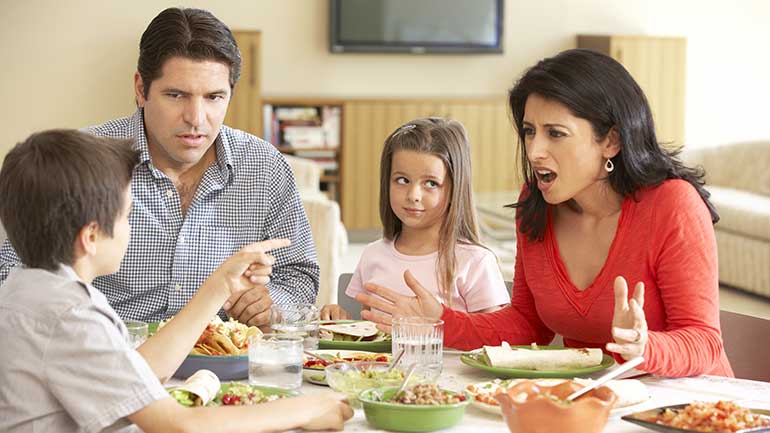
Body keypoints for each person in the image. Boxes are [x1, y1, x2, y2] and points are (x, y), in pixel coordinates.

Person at [354, 49, 734, 378]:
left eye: (555, 133)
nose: (534, 151)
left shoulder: (673, 205)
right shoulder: (535, 205)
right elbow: (526, 326)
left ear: (611, 141)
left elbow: (703, 342)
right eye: (529, 131)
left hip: (686, 405)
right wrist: (441, 320)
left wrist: (645, 346)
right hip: (591, 401)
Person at [0, 129, 353, 433]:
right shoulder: (71, 316)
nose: (130, 227)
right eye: (126, 215)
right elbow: (178, 425)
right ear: (91, 237)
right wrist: (305, 408)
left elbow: (138, 372)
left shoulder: (30, 287)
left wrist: (221, 286)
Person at [0, 7, 319, 327]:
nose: (196, 119)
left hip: (225, 361)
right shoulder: (85, 159)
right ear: (141, 89)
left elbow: (300, 276)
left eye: (214, 97)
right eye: (177, 95)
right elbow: (13, 276)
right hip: (108, 356)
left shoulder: (264, 166)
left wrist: (269, 304)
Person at [321, 118, 509, 320]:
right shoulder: (372, 254)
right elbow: (366, 331)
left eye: (430, 183)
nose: (413, 195)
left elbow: (492, 336)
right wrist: (339, 318)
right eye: (402, 180)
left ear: (456, 188)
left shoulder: (475, 261)